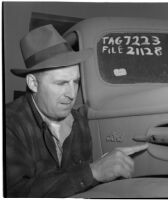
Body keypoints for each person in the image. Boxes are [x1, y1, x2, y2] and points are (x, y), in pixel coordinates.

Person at [5, 24, 148, 197]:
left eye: (76, 82)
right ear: (33, 83)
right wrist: (93, 172)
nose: (72, 94)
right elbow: (15, 193)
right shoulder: (9, 124)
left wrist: (105, 169)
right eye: (61, 83)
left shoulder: (79, 122)